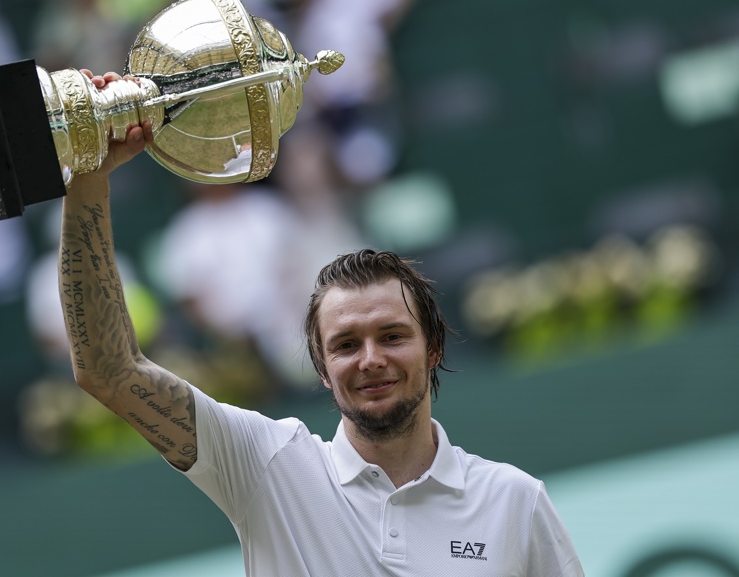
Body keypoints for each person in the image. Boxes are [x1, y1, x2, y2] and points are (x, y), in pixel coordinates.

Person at [58, 70, 583, 575]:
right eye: (346, 345)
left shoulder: (515, 502)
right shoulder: (267, 466)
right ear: (321, 366)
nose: (371, 359)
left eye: (393, 336)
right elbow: (109, 370)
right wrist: (89, 176)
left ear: (435, 347)